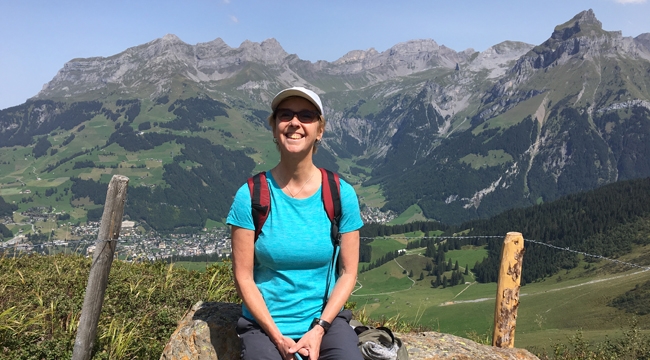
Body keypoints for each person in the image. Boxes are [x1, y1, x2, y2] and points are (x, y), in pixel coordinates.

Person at [227, 86, 364, 360]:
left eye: (306, 116)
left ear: (319, 131)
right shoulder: (251, 195)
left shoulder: (340, 194)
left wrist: (320, 328)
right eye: (285, 114)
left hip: (325, 322)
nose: (294, 123)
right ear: (275, 127)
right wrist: (277, 337)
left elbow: (348, 273)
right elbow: (243, 276)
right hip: (264, 326)